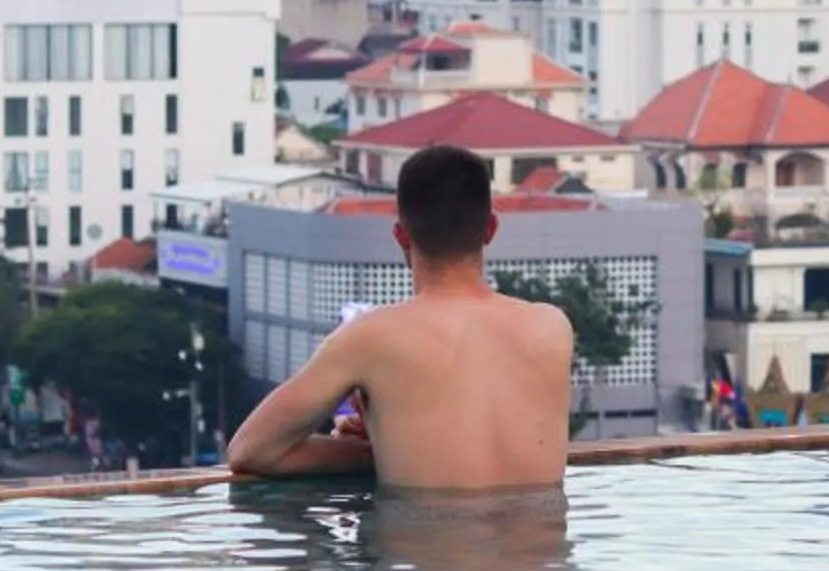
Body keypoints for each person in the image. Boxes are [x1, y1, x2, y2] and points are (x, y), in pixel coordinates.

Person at [227, 144, 573, 491]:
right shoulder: (551, 328)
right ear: (491, 229)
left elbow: (251, 451)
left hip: (420, 541)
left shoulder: (369, 338)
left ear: (401, 236)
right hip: (535, 540)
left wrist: (374, 453)